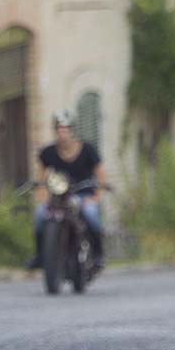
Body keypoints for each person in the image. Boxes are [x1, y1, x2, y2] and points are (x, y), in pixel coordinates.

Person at [29, 109, 106, 269]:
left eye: (66, 129)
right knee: (39, 214)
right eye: (59, 129)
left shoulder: (87, 150)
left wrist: (96, 196)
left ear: (72, 130)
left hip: (83, 195)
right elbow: (40, 177)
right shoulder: (48, 152)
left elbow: (100, 174)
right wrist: (41, 195)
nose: (62, 133)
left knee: (91, 214)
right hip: (58, 197)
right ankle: (40, 255)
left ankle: (99, 254)